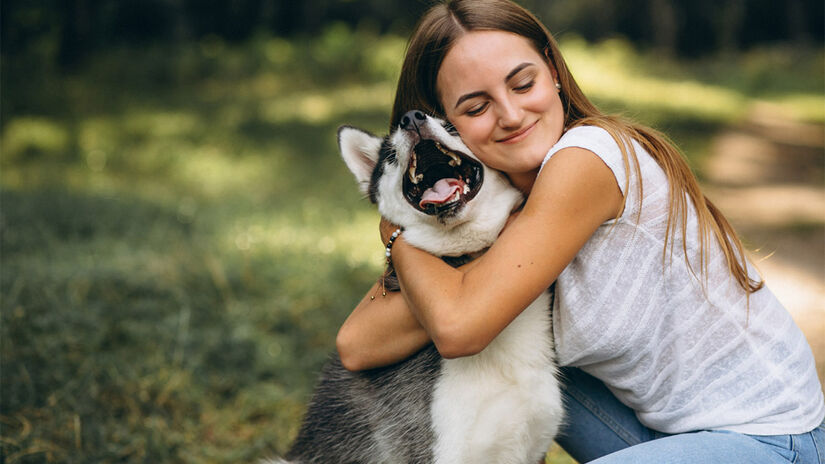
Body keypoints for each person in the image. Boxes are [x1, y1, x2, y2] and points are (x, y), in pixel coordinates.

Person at [335, 0, 825, 462]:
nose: (510, 115)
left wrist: (397, 228)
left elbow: (459, 328)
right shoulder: (498, 207)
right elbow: (358, 346)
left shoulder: (587, 159)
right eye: (477, 107)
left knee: (494, 325)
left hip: (769, 439)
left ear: (552, 69)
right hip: (660, 431)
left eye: (522, 83)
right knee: (513, 348)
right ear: (448, 130)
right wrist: (410, 228)